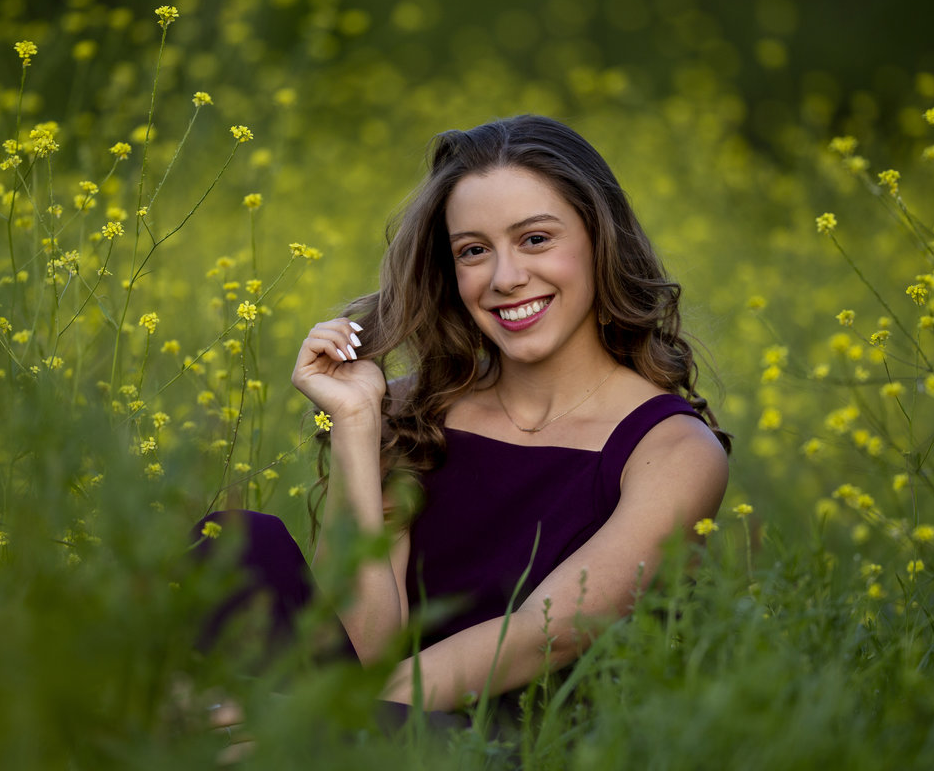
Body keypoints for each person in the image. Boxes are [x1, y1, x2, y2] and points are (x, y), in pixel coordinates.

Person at [203, 114, 730, 723]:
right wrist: (356, 425)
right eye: (474, 251)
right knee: (231, 546)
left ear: (598, 240)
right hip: (369, 720)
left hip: (510, 764)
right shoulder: (416, 411)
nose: (505, 279)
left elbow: (541, 636)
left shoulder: (671, 450)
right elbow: (358, 647)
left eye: (536, 239)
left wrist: (303, 719)